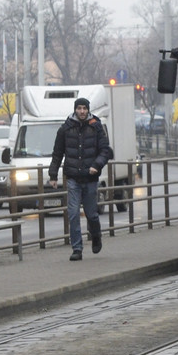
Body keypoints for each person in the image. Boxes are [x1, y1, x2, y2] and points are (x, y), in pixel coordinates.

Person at [48, 97, 113, 261]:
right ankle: (77, 248)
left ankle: (96, 236)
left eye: (84, 108)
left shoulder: (96, 127)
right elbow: (57, 153)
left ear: (88, 110)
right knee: (73, 214)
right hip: (73, 178)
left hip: (90, 178)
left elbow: (105, 151)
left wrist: (96, 165)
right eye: (79, 108)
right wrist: (53, 175)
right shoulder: (66, 129)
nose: (82, 111)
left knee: (91, 214)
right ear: (75, 110)